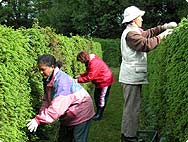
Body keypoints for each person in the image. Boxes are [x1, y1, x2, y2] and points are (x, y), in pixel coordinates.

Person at [119, 6, 177, 142]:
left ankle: (128, 134)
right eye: (140, 17)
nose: (142, 19)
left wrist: (163, 27)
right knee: (132, 109)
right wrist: (163, 36)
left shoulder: (133, 31)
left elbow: (149, 33)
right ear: (133, 20)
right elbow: (146, 45)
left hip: (131, 77)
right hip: (130, 78)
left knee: (132, 108)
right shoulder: (131, 34)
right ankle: (129, 137)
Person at [27, 54, 95, 142]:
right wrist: (41, 115)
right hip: (69, 114)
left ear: (52, 67)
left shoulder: (62, 82)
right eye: (39, 69)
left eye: (43, 69)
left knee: (78, 139)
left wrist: (38, 120)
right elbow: (46, 99)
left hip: (81, 112)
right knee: (64, 138)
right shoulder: (48, 79)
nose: (40, 72)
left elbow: (57, 108)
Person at [75, 51, 114, 121]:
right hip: (100, 81)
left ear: (83, 58)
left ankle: (99, 114)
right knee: (96, 96)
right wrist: (80, 75)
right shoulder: (90, 61)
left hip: (105, 80)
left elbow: (90, 77)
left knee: (101, 97)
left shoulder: (94, 63)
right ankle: (98, 110)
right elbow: (89, 72)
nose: (81, 62)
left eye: (81, 61)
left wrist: (77, 80)